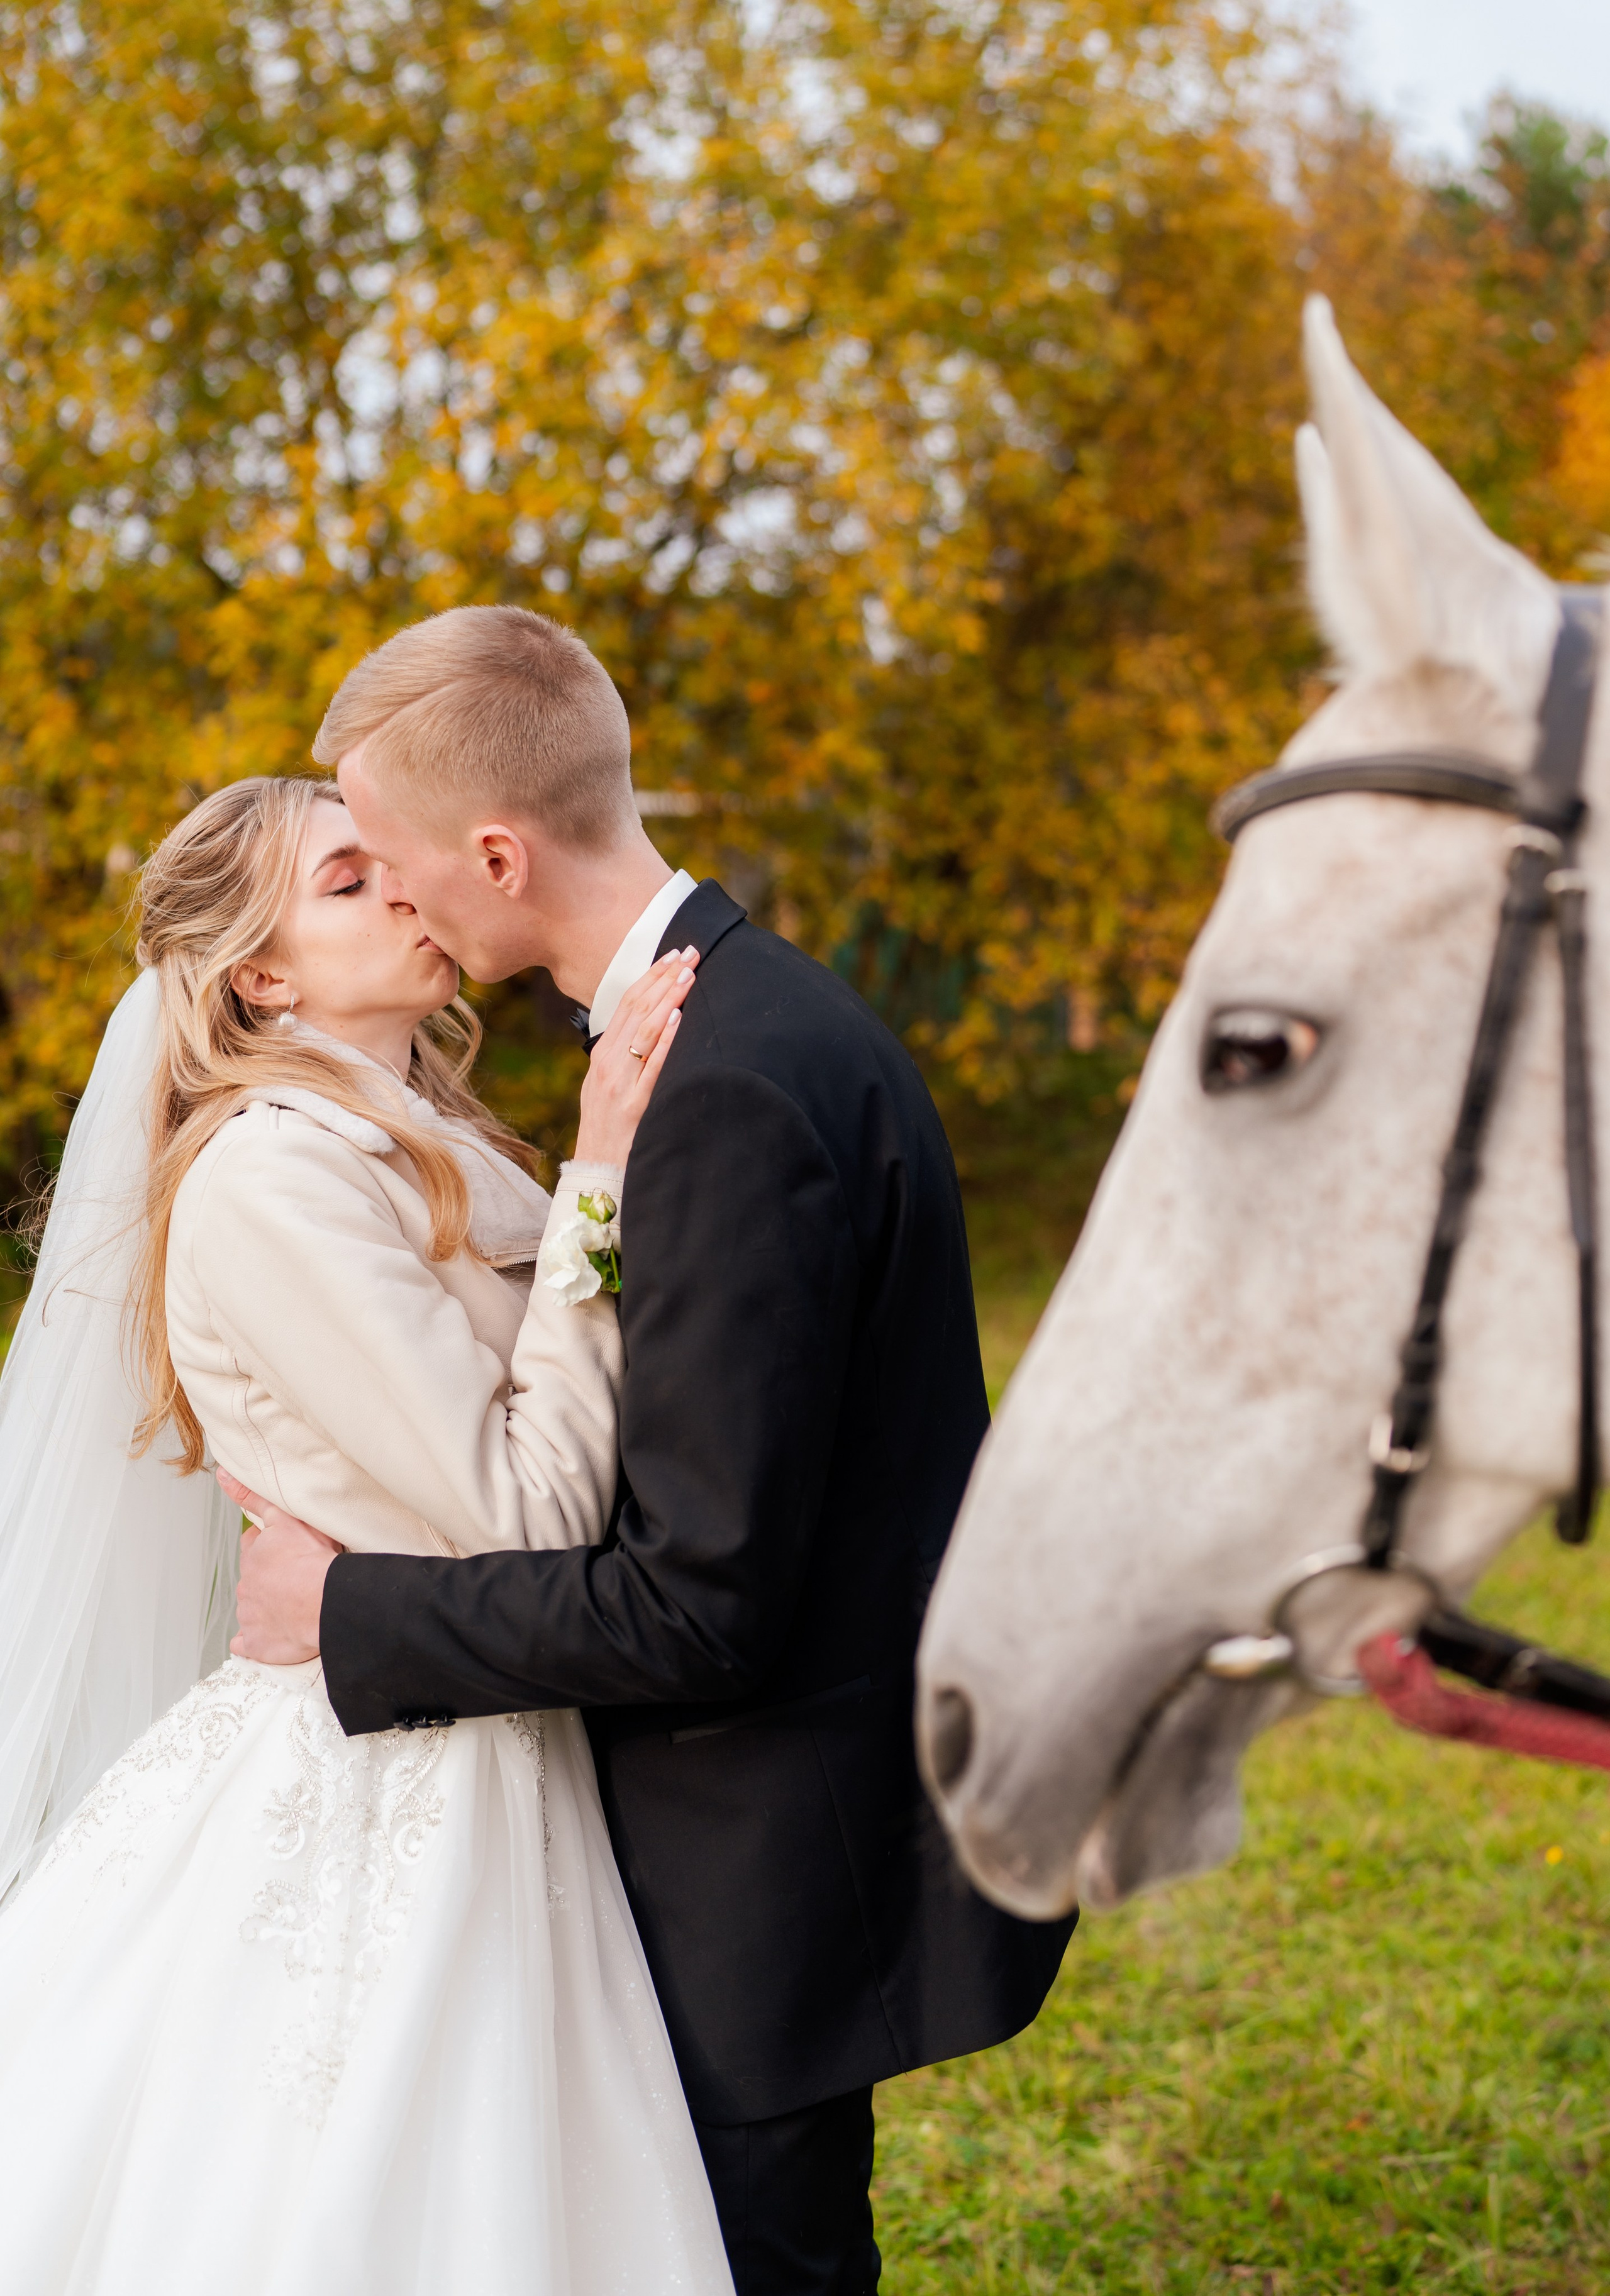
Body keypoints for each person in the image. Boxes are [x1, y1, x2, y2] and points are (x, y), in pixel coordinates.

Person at [230, 606, 1077, 2295]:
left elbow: (702, 1606)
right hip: (750, 1836)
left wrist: (352, 1614)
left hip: (751, 1872)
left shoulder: (733, 1090)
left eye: (391, 859)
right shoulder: (741, 1031)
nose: (394, 894)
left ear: (493, 851)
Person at [0, 772, 733, 2295]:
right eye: (346, 880)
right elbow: (517, 1510)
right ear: (258, 973)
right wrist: (600, 1175)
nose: (403, 886)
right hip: (394, 1763)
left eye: (386, 857)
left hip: (490, 1724)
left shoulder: (411, 1129)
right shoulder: (276, 1173)